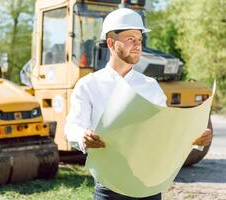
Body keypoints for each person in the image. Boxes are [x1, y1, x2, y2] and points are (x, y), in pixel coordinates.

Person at [64, 8, 212, 200]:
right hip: (110, 186)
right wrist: (82, 136)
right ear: (110, 42)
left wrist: (194, 139)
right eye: (130, 39)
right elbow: (71, 127)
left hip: (149, 185)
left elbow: (165, 132)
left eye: (139, 40)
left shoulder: (150, 86)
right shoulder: (89, 85)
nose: (137, 45)